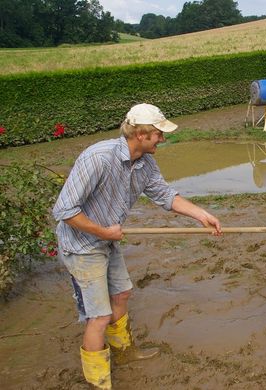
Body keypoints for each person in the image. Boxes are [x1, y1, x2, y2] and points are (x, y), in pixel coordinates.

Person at [52, 103, 222, 389]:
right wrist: (103, 232)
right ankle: (99, 381)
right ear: (141, 134)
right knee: (99, 315)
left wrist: (201, 215)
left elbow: (165, 195)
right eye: (158, 133)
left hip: (108, 239)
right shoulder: (98, 157)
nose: (162, 139)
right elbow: (65, 210)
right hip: (81, 245)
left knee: (122, 295)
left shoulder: (144, 163)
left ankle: (125, 354)